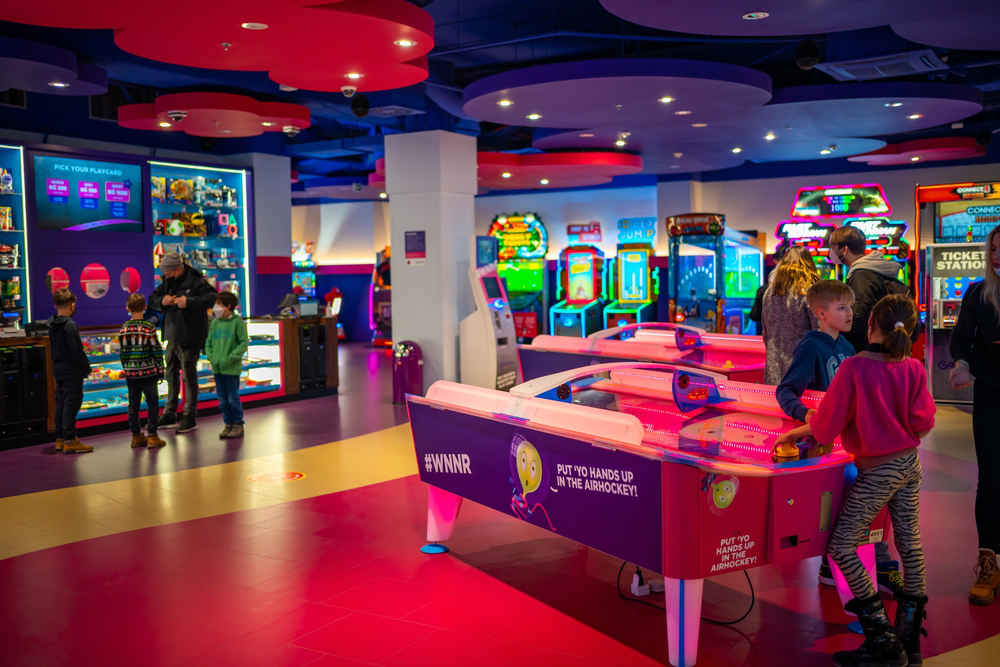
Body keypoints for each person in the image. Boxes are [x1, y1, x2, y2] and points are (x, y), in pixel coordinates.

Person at [777, 294, 935, 667]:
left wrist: (795, 433)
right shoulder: (913, 367)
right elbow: (924, 422)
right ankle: (909, 639)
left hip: (878, 471)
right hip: (909, 464)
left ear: (871, 324)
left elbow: (826, 426)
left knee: (842, 547)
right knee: (910, 545)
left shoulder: (854, 368)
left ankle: (883, 642)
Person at [949, 224, 1000, 606]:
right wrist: (964, 364)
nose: (997, 256)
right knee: (992, 477)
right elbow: (960, 341)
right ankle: (988, 561)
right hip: (992, 393)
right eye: (993, 249)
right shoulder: (979, 293)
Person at [149, 252, 216, 433]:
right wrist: (162, 301)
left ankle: (189, 415)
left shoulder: (196, 280)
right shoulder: (167, 281)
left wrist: (189, 302)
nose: (165, 275)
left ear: (177, 269)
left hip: (191, 335)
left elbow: (212, 298)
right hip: (172, 335)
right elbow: (152, 299)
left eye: (168, 272)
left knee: (188, 375)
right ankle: (170, 412)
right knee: (170, 374)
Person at [827, 226, 910, 352]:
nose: (831, 253)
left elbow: (858, 317)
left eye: (833, 248)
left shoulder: (861, 275)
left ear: (845, 249)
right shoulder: (875, 268)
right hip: (886, 346)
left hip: (870, 350)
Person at [762, 247, 820, 384]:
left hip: (774, 365)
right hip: (802, 366)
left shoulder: (769, 293)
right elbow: (818, 331)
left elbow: (765, 332)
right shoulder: (809, 292)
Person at [48, 288, 93, 454]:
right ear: (71, 305)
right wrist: (86, 368)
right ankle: (70, 440)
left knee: (61, 402)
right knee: (72, 403)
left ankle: (60, 438)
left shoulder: (52, 324)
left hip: (58, 369)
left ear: (56, 305)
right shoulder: (70, 325)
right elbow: (76, 351)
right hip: (72, 370)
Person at [119, 293, 166, 449]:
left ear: (127, 308)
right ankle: (152, 435)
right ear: (145, 307)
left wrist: (127, 368)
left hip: (131, 374)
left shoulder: (124, 328)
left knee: (133, 405)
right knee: (152, 404)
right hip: (148, 373)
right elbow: (156, 350)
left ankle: (136, 436)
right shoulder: (148, 327)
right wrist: (160, 369)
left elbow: (123, 353)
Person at [205, 291, 248, 439]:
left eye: (219, 304)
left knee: (232, 398)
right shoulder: (215, 323)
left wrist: (232, 357)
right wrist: (211, 357)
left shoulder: (237, 322)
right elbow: (208, 343)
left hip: (231, 369)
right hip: (217, 368)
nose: (215, 307)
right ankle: (228, 424)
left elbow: (243, 343)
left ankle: (237, 424)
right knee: (222, 400)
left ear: (228, 306)